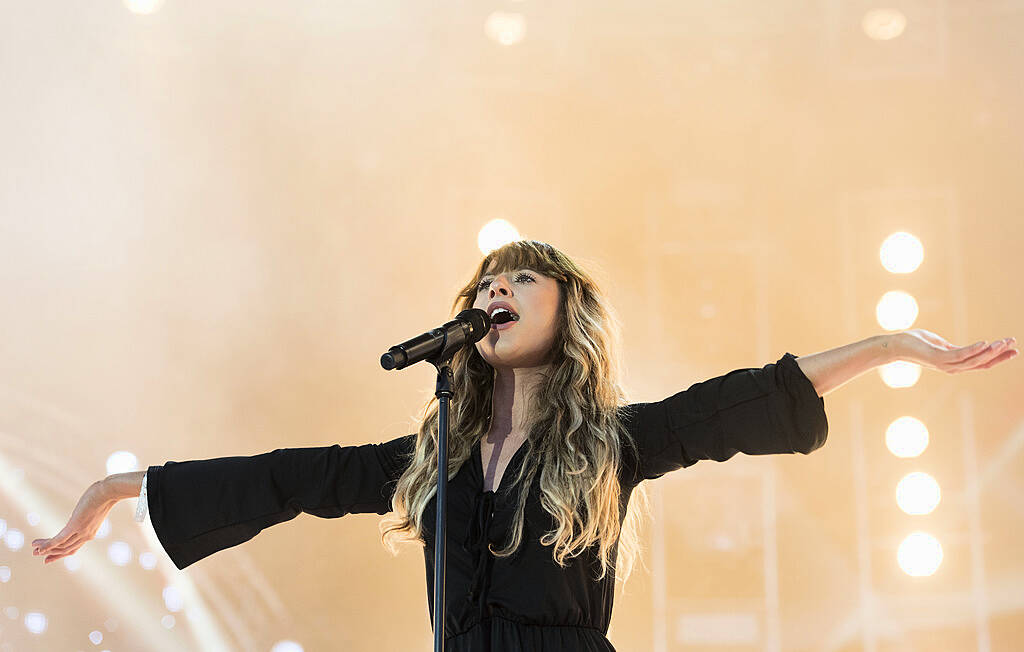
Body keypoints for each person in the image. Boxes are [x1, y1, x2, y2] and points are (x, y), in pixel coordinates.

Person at [31, 240, 1017, 651]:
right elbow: (295, 476)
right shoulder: (427, 464)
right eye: (483, 287)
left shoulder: (612, 445)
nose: (492, 295)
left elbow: (737, 403)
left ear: (566, 313)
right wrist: (127, 483)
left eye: (519, 284)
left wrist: (889, 347)